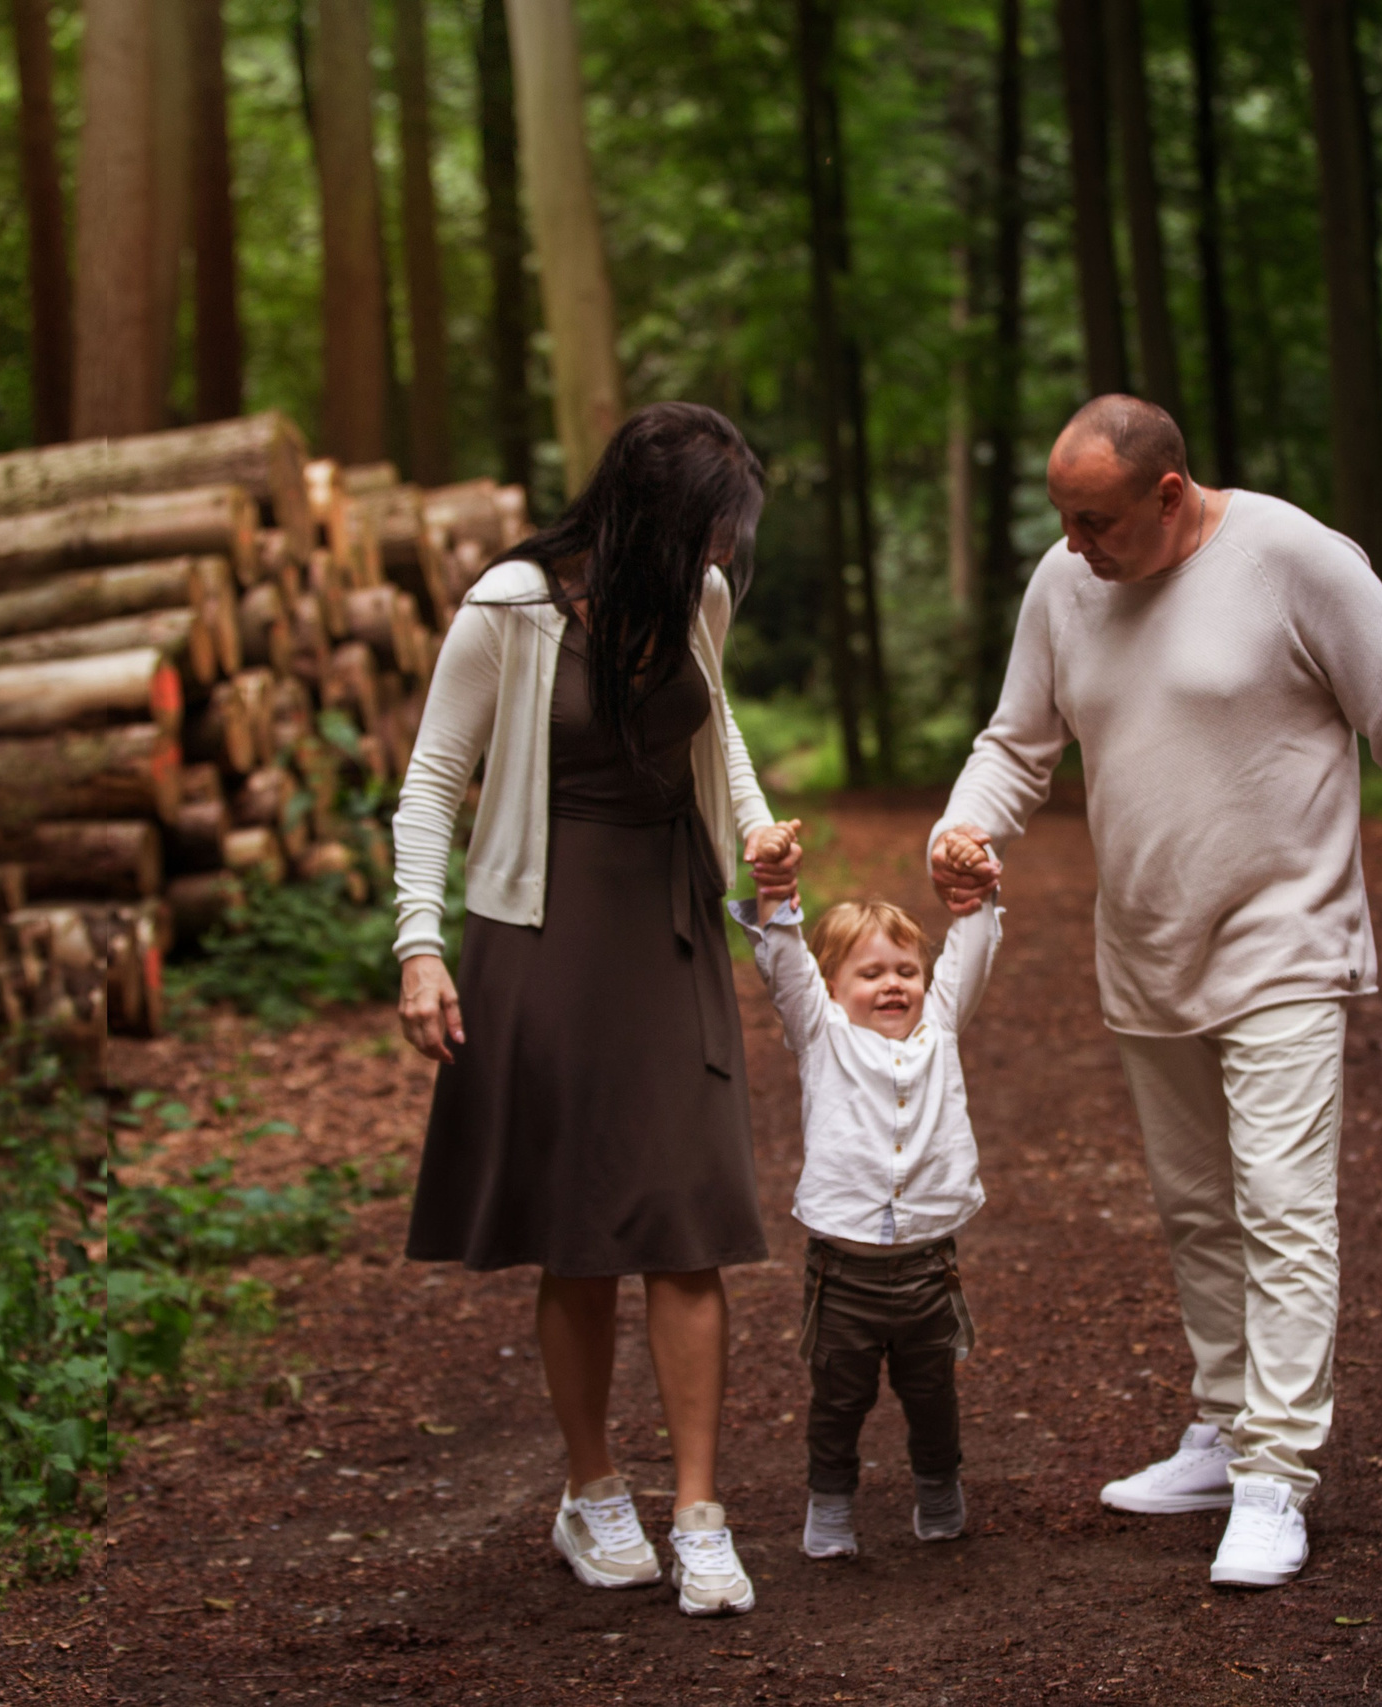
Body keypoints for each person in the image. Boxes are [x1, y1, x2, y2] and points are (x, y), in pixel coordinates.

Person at [928, 394, 1382, 1589]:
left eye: (1097, 520)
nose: (1078, 544)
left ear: (1168, 494)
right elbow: (1018, 742)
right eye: (1064, 521)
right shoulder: (1064, 584)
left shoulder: (1293, 559)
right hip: (1147, 946)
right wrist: (964, 829)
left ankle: (1277, 1474)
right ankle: (1225, 1426)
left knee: (1282, 1206)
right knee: (1194, 1208)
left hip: (1283, 941)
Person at [389, 402, 803, 1618]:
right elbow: (429, 786)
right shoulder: (508, 610)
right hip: (542, 925)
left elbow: (713, 735)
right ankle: (593, 1491)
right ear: (646, 519)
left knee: (686, 1217)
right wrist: (420, 947)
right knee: (578, 1233)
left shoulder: (696, 601)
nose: (721, 560)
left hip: (666, 919)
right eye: (709, 535)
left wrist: (757, 834)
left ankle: (701, 1513)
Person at [728, 879, 1001, 1560]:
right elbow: (786, 965)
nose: (893, 985)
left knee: (931, 1394)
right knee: (838, 1400)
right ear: (831, 985)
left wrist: (979, 893)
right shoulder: (822, 1035)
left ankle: (939, 1488)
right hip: (843, 1273)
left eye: (906, 970)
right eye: (871, 972)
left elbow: (970, 955)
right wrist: (775, 900)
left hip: (926, 1268)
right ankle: (831, 1502)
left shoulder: (938, 1030)